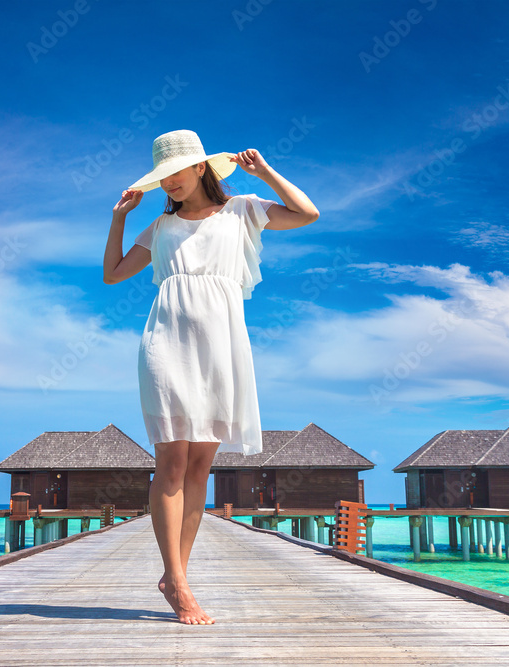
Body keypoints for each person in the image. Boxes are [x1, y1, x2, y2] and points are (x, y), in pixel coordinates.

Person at [102, 129, 319, 625]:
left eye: (175, 172)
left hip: (222, 346)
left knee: (201, 466)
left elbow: (308, 214)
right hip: (167, 342)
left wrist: (263, 172)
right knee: (172, 460)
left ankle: (177, 571)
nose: (169, 184)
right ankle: (176, 580)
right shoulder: (158, 228)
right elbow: (113, 273)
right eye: (162, 178)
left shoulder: (243, 210)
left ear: (200, 168)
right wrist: (119, 219)